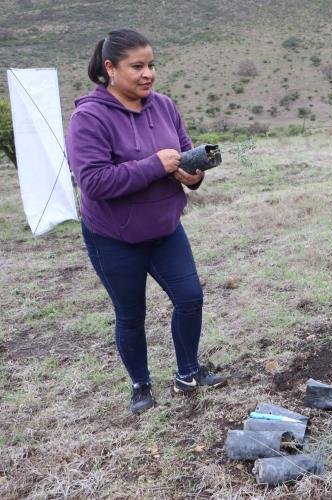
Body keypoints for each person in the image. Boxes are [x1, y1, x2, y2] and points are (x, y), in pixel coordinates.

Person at [66, 29, 227, 415]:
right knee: (131, 314)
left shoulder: (164, 106)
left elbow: (183, 153)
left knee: (190, 298)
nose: (147, 74)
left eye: (151, 65)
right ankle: (140, 385)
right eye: (137, 66)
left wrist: (194, 175)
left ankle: (188, 372)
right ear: (110, 68)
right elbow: (93, 182)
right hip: (113, 236)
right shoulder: (88, 118)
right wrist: (155, 165)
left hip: (165, 228)